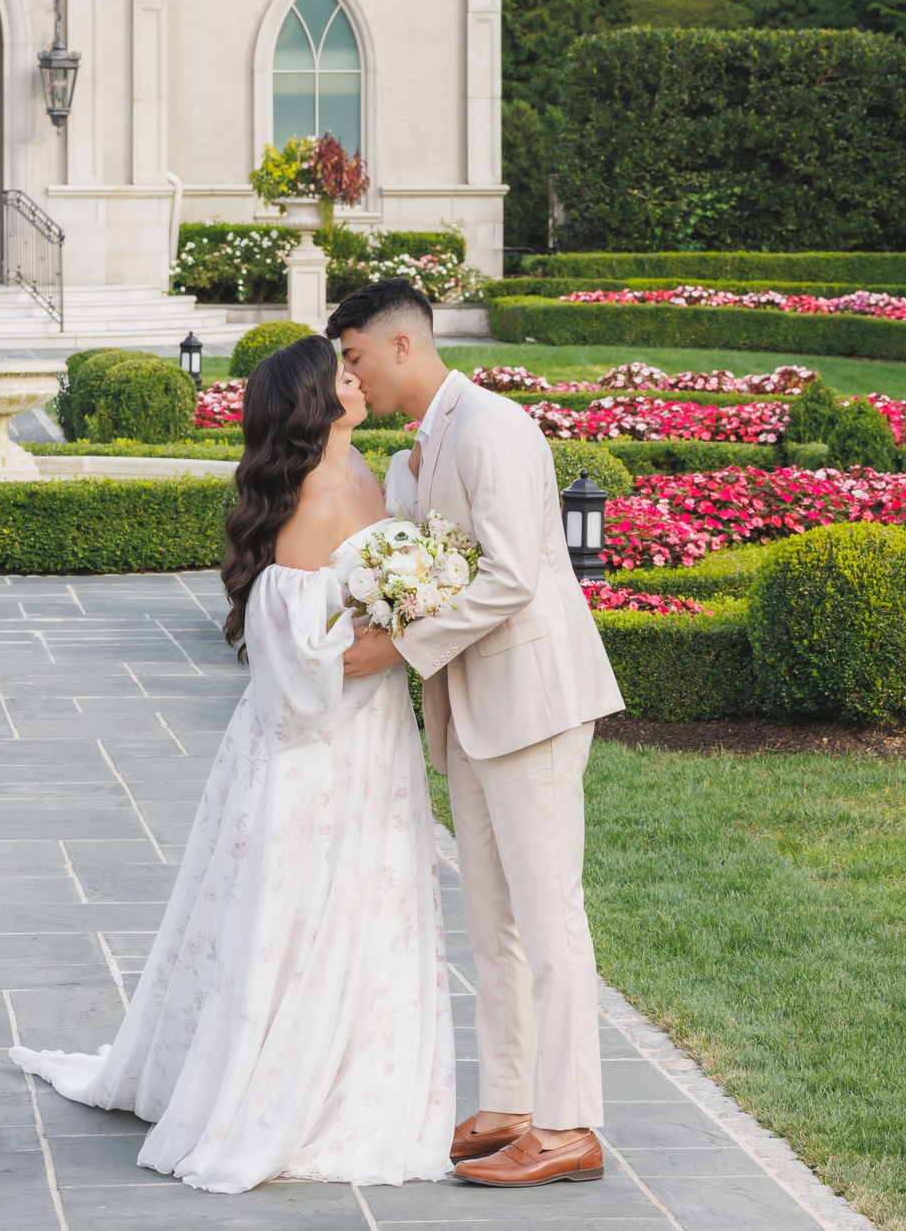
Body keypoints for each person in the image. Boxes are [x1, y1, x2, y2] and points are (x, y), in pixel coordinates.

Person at [10, 334, 455, 1191]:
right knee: (298, 911)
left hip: (373, 743)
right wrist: (395, 639)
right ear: (312, 404)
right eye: (341, 375)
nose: (356, 380)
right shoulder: (315, 501)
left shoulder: (374, 474)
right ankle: (276, 1087)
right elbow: (297, 669)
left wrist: (412, 607)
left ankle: (361, 1072)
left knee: (374, 901)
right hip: (313, 754)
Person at [329, 278, 627, 1189]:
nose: (351, 378)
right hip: (469, 711)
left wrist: (400, 647)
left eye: (354, 358)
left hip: (533, 701)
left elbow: (509, 578)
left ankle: (572, 1124)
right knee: (490, 918)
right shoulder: (416, 458)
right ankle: (509, 1105)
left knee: (547, 915)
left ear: (403, 347)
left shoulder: (494, 427)